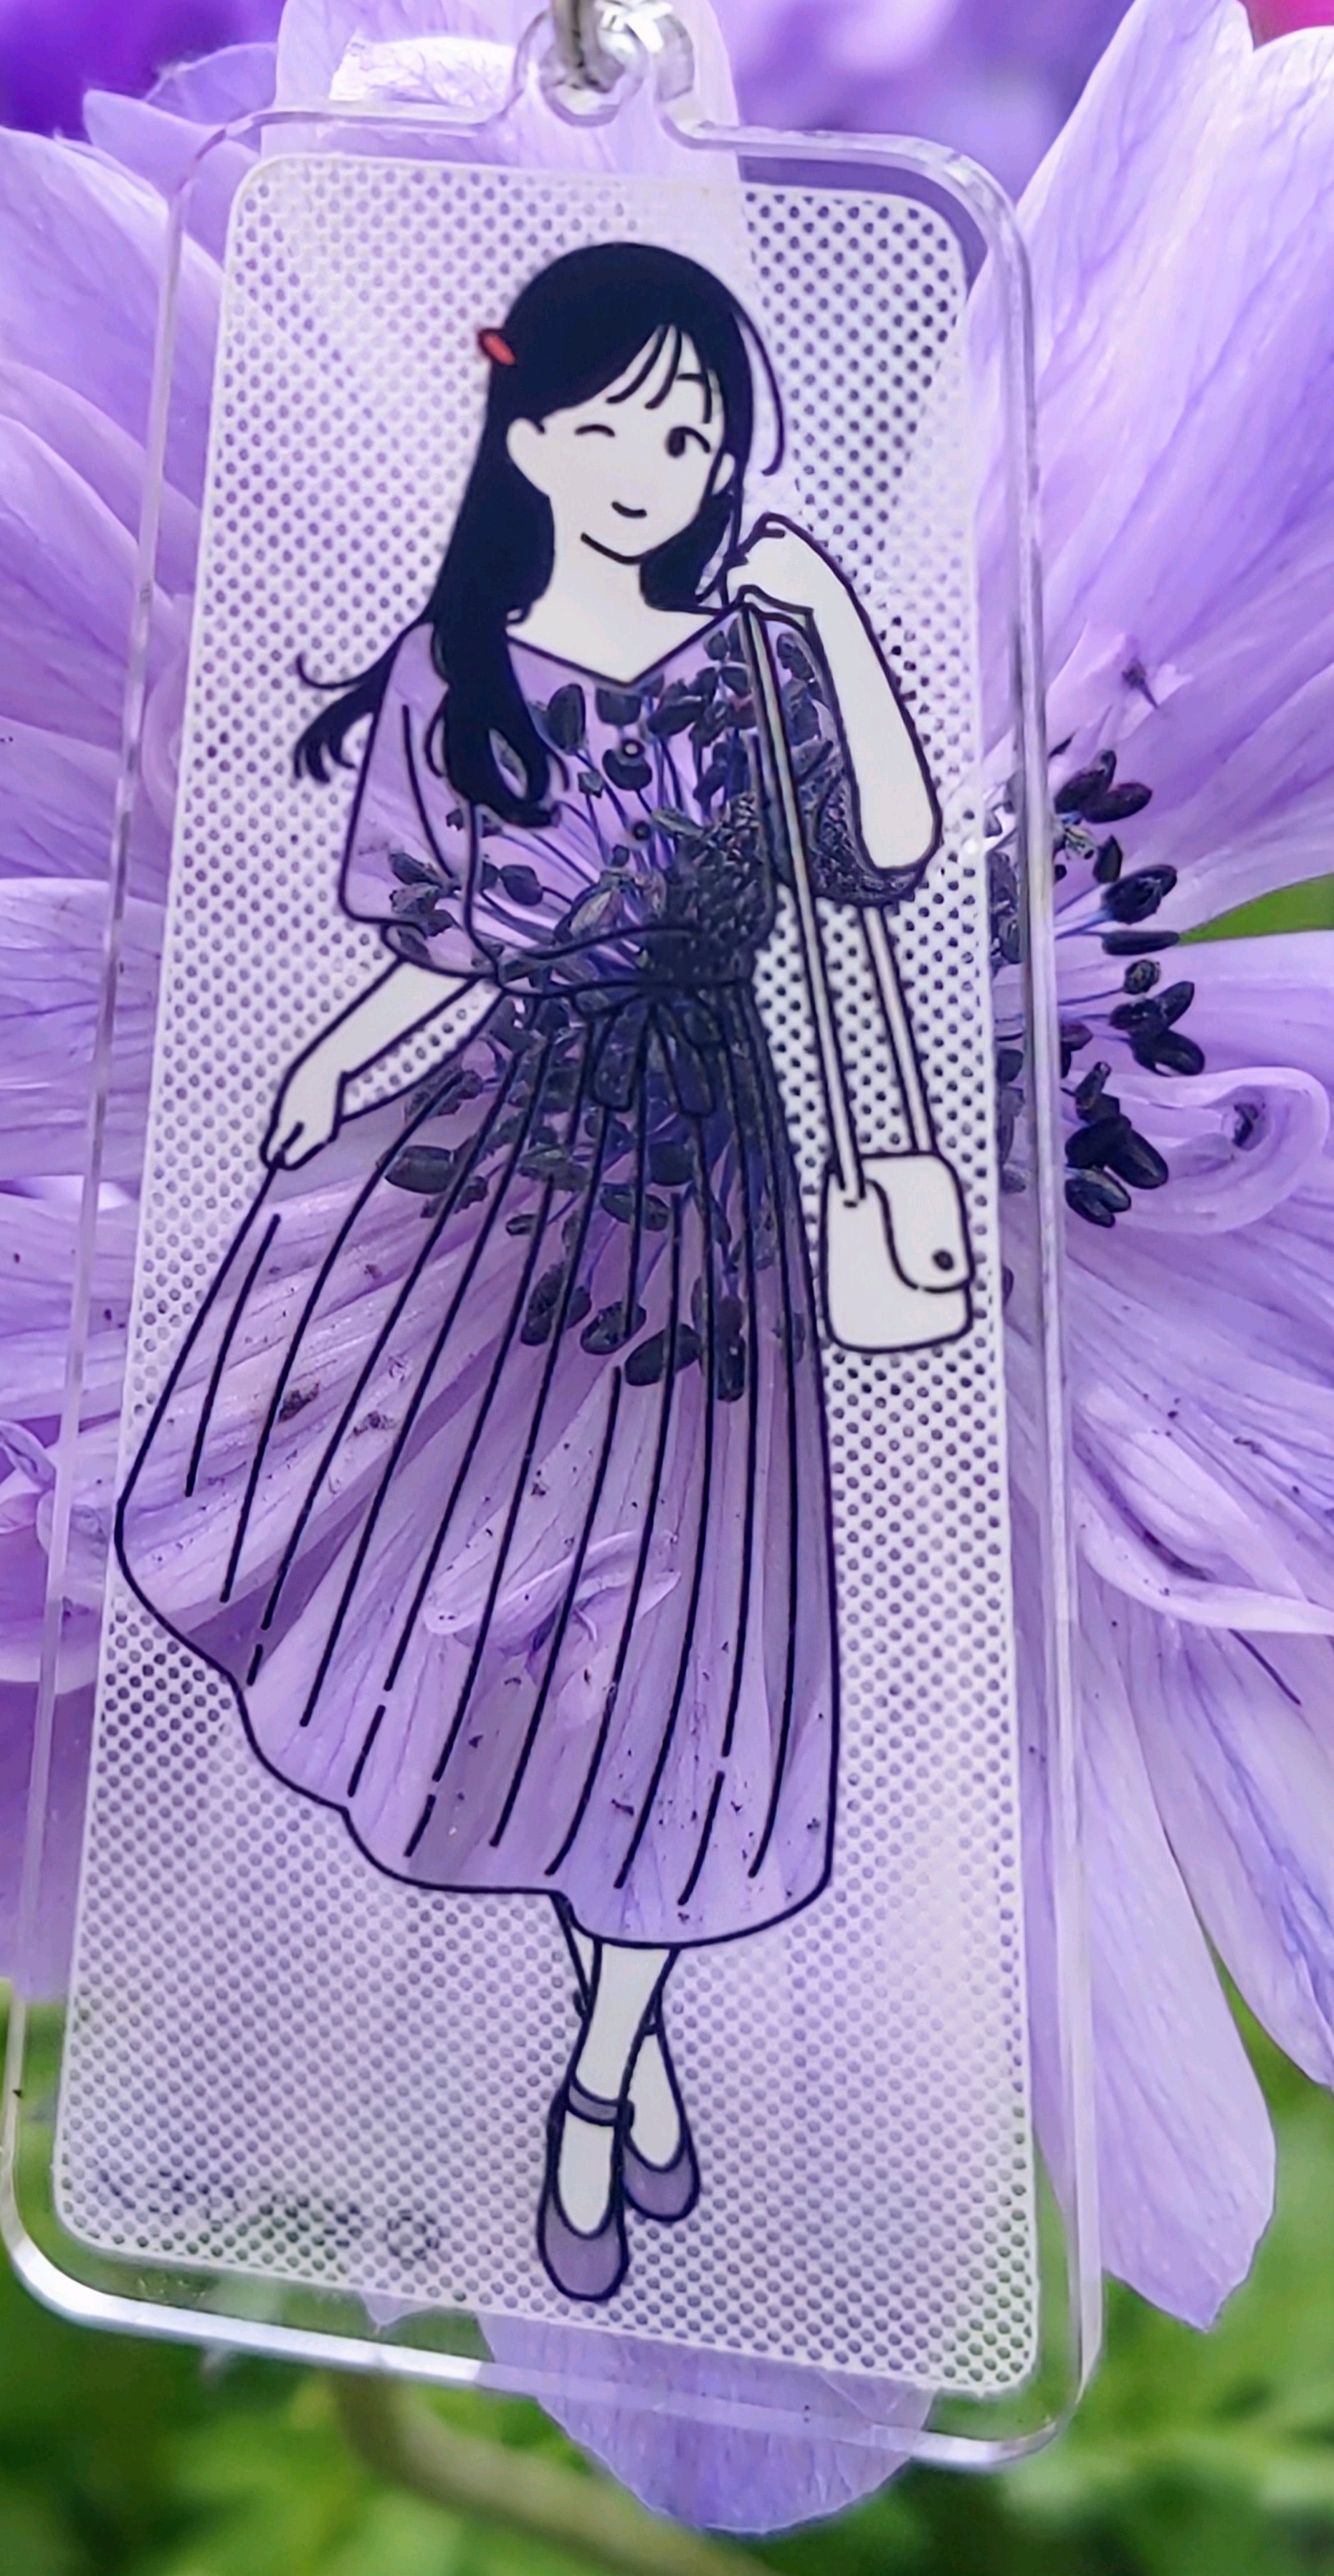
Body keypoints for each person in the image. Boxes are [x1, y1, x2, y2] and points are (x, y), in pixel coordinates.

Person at [116, 241, 942, 2303]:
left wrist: (833, 613)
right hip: (502, 1168)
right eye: (620, 423)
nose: (664, 464)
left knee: (691, 1642)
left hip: (714, 1191)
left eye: (697, 430)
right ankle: (624, 2061)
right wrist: (329, 1061)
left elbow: (891, 852)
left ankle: (592, 2080)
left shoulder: (749, 664)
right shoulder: (452, 667)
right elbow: (446, 943)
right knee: (515, 1613)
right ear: (530, 433)